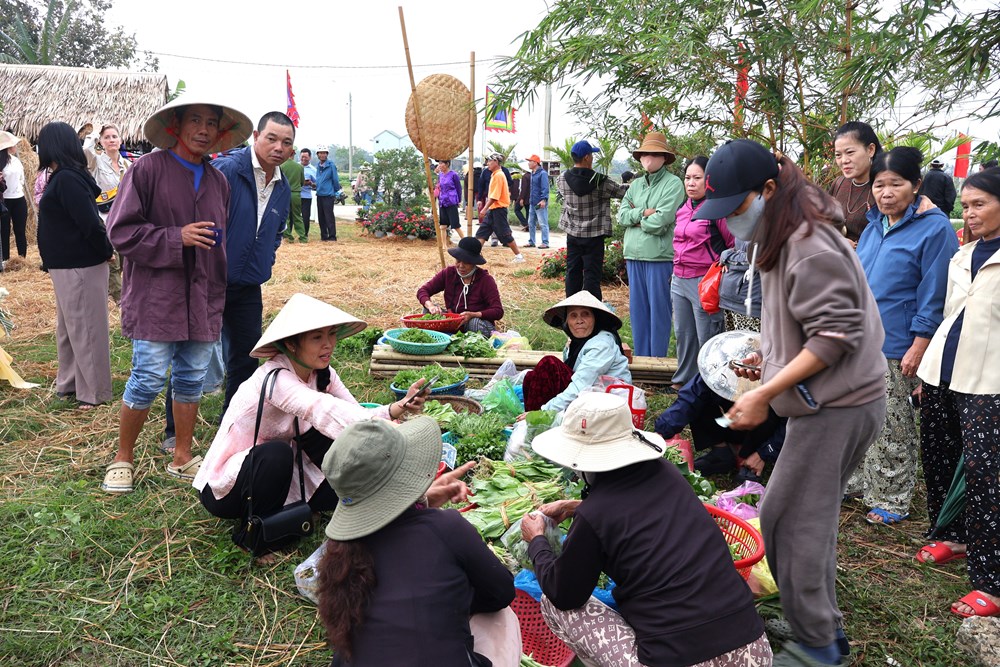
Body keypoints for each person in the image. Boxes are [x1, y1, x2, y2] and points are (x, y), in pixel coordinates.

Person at [699, 139, 888, 666]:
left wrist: (765, 392)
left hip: (839, 402)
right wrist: (770, 355)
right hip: (819, 399)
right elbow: (802, 321)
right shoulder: (781, 234)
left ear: (768, 190)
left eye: (735, 206)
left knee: (796, 522)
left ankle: (818, 647)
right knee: (793, 516)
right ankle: (820, 628)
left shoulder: (811, 243)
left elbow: (836, 335)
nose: (729, 219)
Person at [521, 392, 772, 667]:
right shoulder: (669, 475)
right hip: (754, 651)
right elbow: (633, 509)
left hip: (676, 661)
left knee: (553, 604)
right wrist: (576, 507)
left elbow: (564, 593)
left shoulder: (594, 516)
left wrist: (537, 541)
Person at [193, 293, 434, 559]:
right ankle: (254, 536)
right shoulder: (275, 379)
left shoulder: (323, 374)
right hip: (232, 483)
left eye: (331, 335)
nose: (328, 344)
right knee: (277, 453)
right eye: (317, 338)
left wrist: (396, 408)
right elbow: (322, 409)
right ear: (291, 344)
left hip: (283, 471)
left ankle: (293, 506)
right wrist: (392, 432)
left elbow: (353, 412)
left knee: (339, 492)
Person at [103, 97, 252, 494]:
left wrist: (218, 294)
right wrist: (175, 237)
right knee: (148, 377)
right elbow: (120, 231)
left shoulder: (218, 182)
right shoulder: (147, 169)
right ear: (176, 125)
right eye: (195, 120)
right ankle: (122, 458)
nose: (203, 129)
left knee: (192, 377)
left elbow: (218, 243)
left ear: (220, 133)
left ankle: (182, 456)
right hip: (157, 296)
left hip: (203, 295)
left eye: (211, 123)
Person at [318, 418, 519, 666]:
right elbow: (501, 593)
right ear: (407, 474)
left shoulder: (341, 553)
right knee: (503, 617)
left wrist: (421, 504)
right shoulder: (446, 527)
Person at [849, 146, 958, 526]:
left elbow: (936, 292)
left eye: (895, 184)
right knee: (858, 417)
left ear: (916, 185)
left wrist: (920, 344)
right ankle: (860, 480)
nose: (886, 193)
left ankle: (892, 497)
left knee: (891, 422)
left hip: (899, 343)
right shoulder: (874, 226)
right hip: (861, 340)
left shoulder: (935, 229)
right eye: (879, 185)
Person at [915, 167, 1000, 618]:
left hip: (989, 381)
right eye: (965, 205)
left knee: (987, 476)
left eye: (980, 204)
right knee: (940, 456)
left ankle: (993, 581)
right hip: (942, 372)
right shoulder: (962, 255)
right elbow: (949, 314)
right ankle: (953, 535)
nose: (969, 214)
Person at [212, 112, 295, 418]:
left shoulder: (282, 185)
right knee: (194, 357)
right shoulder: (228, 170)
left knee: (246, 356)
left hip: (248, 284)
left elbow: (277, 230)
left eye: (286, 142)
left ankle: (235, 420)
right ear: (256, 136)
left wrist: (266, 258)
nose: (278, 147)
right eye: (271, 138)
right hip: (211, 280)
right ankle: (174, 431)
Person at [35, 122, 114, 410]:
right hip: (66, 265)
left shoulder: (68, 179)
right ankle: (69, 383)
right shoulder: (64, 177)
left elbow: (90, 223)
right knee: (69, 328)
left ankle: (94, 391)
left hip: (80, 264)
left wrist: (106, 250)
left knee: (87, 328)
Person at [670, 155, 735, 390]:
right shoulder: (683, 207)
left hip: (704, 280)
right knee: (683, 333)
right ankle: (683, 381)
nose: (691, 183)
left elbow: (733, 244)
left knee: (707, 335)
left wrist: (725, 263)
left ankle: (709, 384)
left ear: (709, 179)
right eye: (687, 177)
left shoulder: (717, 209)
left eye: (697, 178)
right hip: (679, 278)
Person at [618, 131, 685, 358]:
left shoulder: (673, 184)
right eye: (645, 153)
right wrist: (645, 213)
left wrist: (637, 219)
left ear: (664, 158)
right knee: (638, 311)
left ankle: (657, 360)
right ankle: (641, 358)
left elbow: (662, 220)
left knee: (659, 311)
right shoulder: (636, 184)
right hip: (633, 255)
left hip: (659, 256)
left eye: (655, 154)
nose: (649, 158)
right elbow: (622, 216)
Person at [522, 290, 631, 414]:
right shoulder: (575, 344)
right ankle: (532, 418)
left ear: (596, 319)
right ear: (567, 322)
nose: (579, 320)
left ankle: (536, 418)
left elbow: (581, 384)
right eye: (573, 316)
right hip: (587, 395)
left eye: (585, 314)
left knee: (549, 363)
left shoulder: (601, 345)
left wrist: (543, 411)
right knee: (531, 377)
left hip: (608, 403)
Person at [557, 140, 629, 300]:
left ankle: (571, 307)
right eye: (592, 155)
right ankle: (592, 309)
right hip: (594, 235)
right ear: (587, 157)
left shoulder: (562, 178)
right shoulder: (600, 181)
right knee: (592, 275)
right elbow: (622, 192)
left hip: (573, 234)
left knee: (573, 272)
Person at [84, 123, 132, 304]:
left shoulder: (127, 164)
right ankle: (120, 299)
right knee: (113, 261)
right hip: (105, 218)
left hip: (126, 218)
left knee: (126, 258)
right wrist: (95, 133)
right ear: (101, 142)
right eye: (107, 137)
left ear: (120, 140)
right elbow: (85, 150)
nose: (111, 140)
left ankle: (121, 292)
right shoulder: (96, 162)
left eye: (114, 136)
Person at [417, 237, 502, 335]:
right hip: (453, 321)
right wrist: (431, 306)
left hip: (474, 324)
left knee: (474, 323)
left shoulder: (485, 280)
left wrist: (474, 314)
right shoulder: (449, 273)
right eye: (458, 261)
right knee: (428, 311)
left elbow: (498, 311)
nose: (461, 266)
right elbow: (423, 291)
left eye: (466, 262)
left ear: (474, 262)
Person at [829, 121, 882, 244]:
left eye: (850, 152)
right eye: (838, 155)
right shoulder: (839, 183)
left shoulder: (883, 187)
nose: (844, 160)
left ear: (870, 150)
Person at [475, 152, 525, 263]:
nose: (488, 163)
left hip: (499, 209)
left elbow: (494, 196)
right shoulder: (495, 174)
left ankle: (519, 256)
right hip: (494, 209)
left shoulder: (498, 175)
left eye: (489, 161)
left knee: (505, 234)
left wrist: (484, 209)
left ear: (496, 162)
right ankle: (474, 254)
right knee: (483, 231)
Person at [0, 131, 28, 269]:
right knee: (4, 231)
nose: (15, 146)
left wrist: (19, 189)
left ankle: (22, 258)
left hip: (19, 198)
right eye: (13, 144)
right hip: (5, 200)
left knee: (20, 230)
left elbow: (22, 178)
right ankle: (5, 260)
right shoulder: (1, 162)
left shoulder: (16, 160)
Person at [315, 145, 341, 241]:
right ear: (317, 155)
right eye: (320, 153)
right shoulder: (318, 166)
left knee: (329, 216)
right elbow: (319, 179)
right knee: (321, 217)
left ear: (327, 154)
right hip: (319, 194)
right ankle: (324, 236)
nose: (322, 155)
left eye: (324, 153)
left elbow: (335, 180)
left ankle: (332, 236)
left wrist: (335, 191)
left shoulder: (331, 165)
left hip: (328, 195)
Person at [434, 159, 464, 241]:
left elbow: (458, 188)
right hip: (442, 202)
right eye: (439, 163)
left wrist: (459, 200)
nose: (440, 165)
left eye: (441, 163)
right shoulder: (440, 175)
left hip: (451, 201)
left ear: (447, 164)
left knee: (456, 225)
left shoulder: (453, 175)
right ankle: (444, 245)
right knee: (443, 226)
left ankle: (465, 242)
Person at [281, 151, 306, 243]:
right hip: (296, 194)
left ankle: (288, 236)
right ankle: (302, 237)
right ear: (293, 155)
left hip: (285, 193)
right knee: (298, 216)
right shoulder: (300, 167)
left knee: (286, 216)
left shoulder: (281, 166)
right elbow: (302, 182)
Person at [525, 154, 550, 249]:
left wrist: (544, 200)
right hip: (532, 202)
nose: (528, 163)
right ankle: (531, 241)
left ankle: (545, 242)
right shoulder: (533, 173)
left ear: (535, 163)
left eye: (530, 161)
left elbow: (545, 187)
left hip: (540, 202)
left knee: (543, 223)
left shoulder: (542, 174)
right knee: (531, 223)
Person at [300, 148, 316, 238]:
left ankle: (304, 234)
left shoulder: (313, 170)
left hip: (306, 196)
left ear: (310, 157)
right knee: (291, 215)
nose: (303, 159)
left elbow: (316, 185)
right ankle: (288, 234)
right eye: (302, 157)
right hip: (295, 195)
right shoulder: (296, 167)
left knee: (305, 216)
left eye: (305, 157)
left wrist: (311, 184)